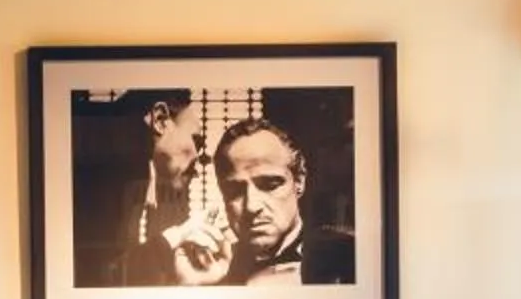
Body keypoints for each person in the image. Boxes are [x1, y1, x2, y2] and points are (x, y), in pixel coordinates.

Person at [174, 116, 355, 286]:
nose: (252, 206)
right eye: (235, 191)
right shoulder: (211, 268)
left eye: (269, 185)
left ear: (299, 181)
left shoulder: (349, 255)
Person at [113, 92, 228, 286]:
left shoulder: (149, 183)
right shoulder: (101, 182)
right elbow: (108, 275)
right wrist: (178, 234)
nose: (200, 157)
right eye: (196, 141)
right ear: (160, 120)